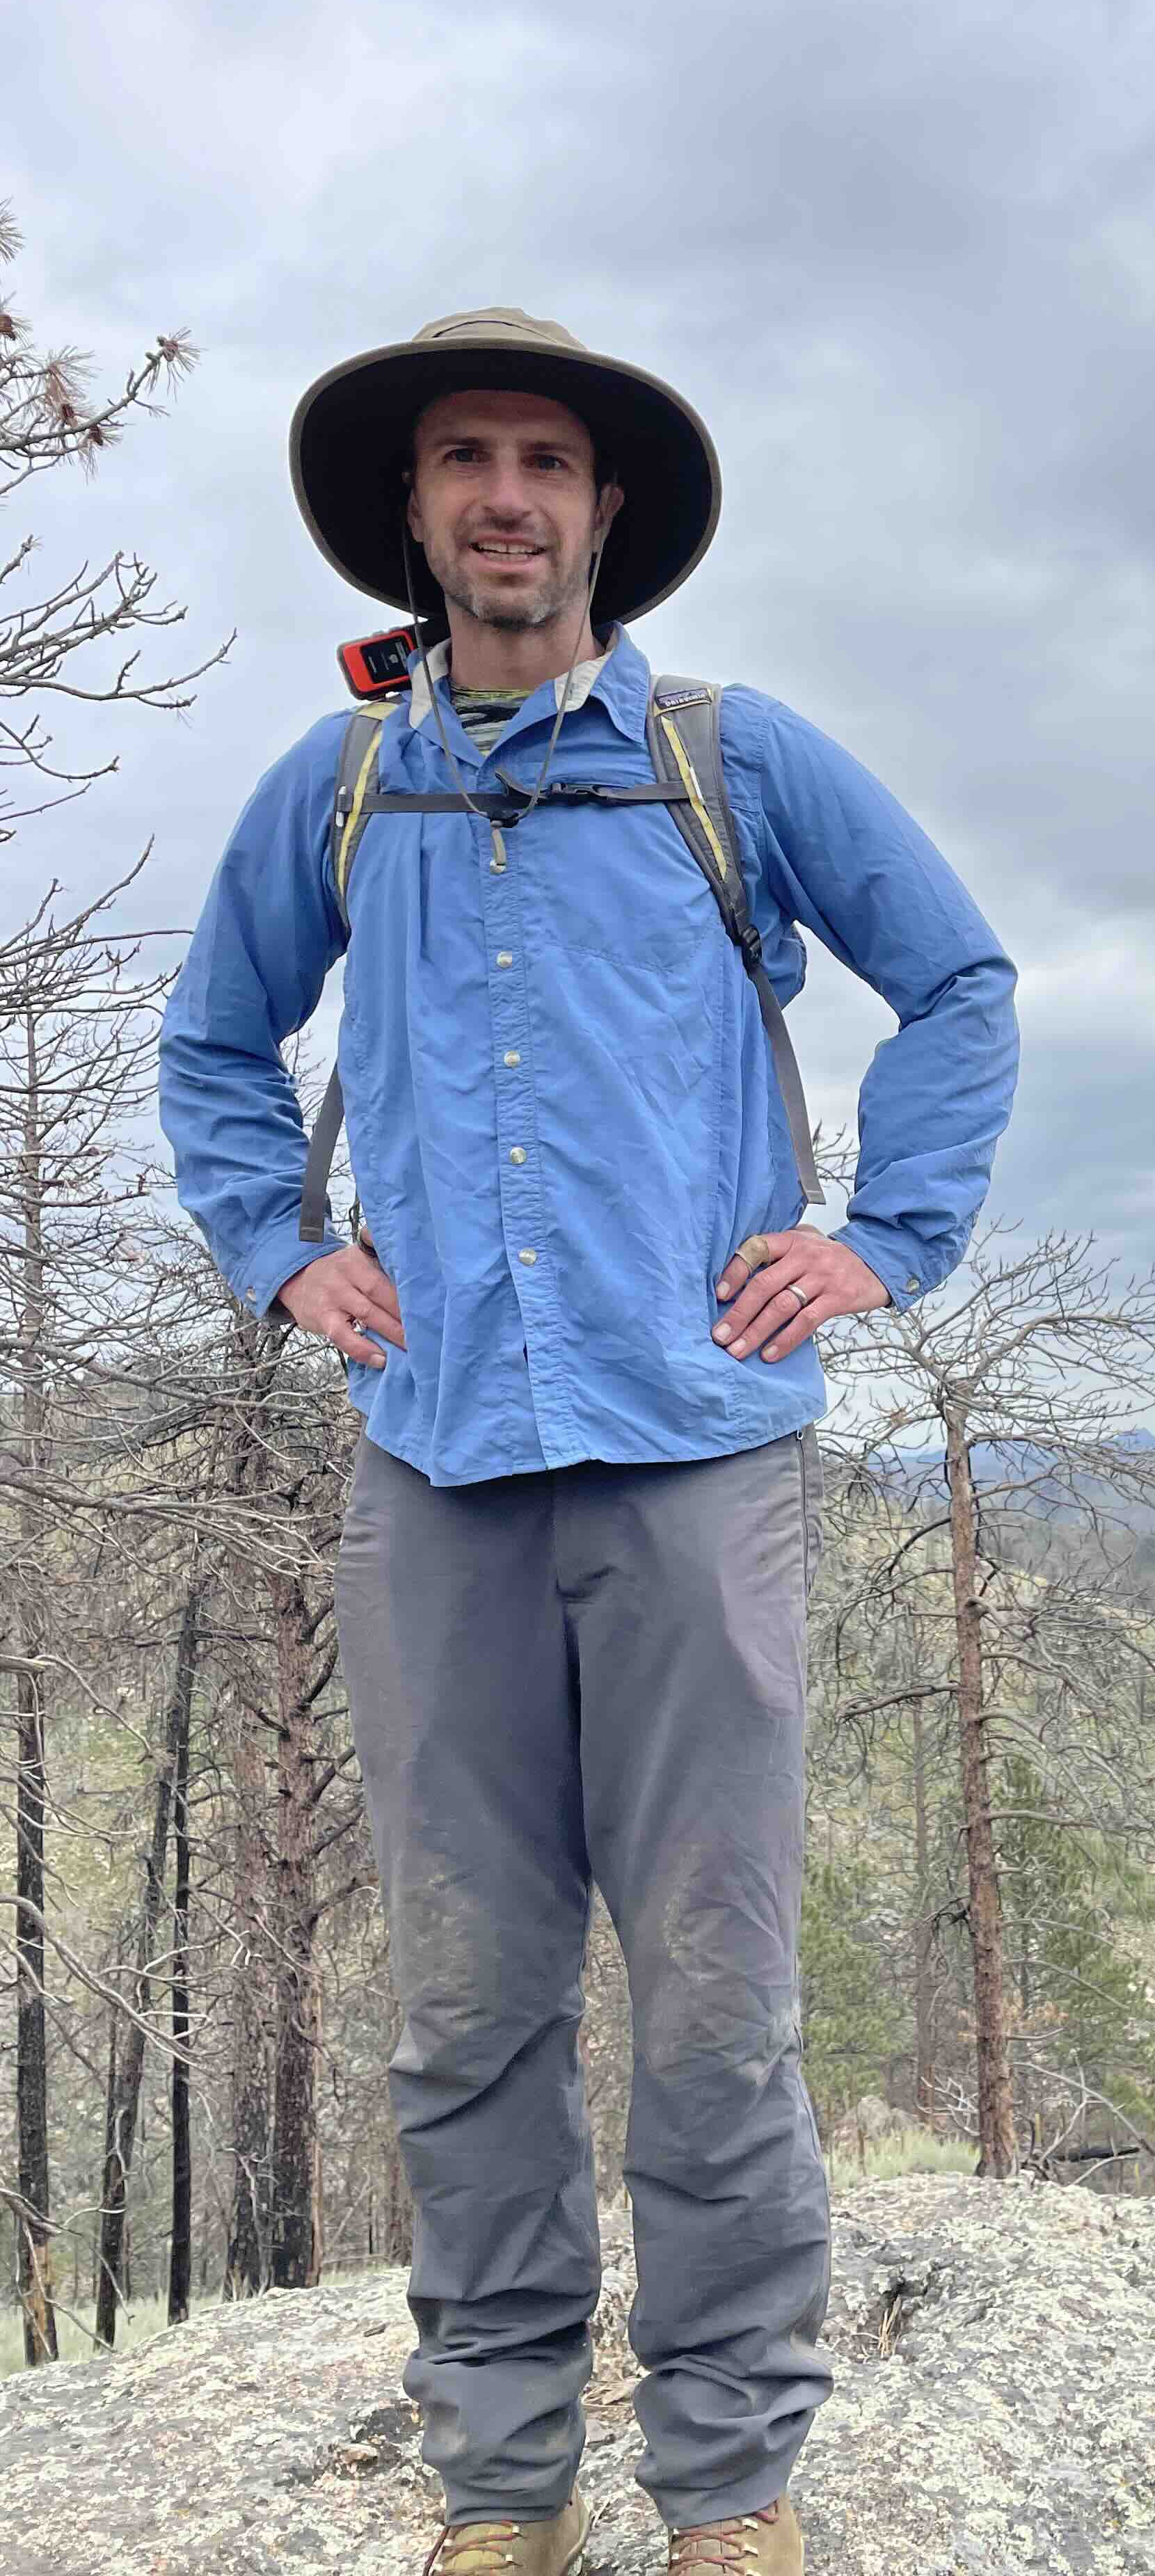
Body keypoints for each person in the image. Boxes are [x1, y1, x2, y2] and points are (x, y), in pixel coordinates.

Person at [159, 308, 1020, 2576]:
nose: (510, 496)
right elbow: (212, 1042)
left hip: (694, 1452)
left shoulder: (732, 757)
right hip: (432, 1464)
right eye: (468, 458)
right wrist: (281, 1253)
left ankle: (730, 2479)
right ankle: (505, 2486)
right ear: (416, 510)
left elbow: (962, 980)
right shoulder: (342, 788)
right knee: (467, 2005)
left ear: (607, 510)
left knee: (718, 2000)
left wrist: (884, 1241)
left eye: (548, 457)